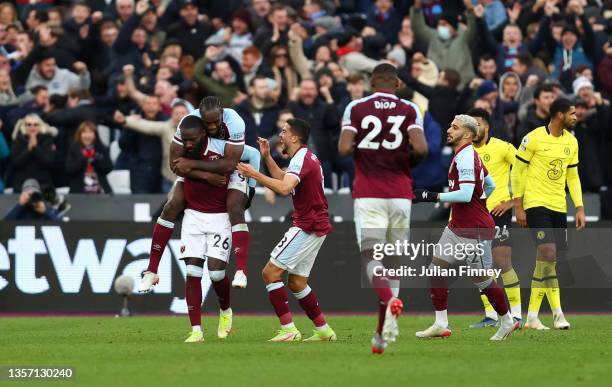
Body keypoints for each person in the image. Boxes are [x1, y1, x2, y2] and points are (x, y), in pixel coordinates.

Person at [337, 63, 428, 354]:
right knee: (394, 261)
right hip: (401, 193)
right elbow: (422, 149)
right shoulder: (410, 109)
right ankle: (382, 333)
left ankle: (390, 301)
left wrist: (363, 149)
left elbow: (343, 148)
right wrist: (403, 161)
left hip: (369, 193)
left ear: (372, 82)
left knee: (371, 256)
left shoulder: (357, 107)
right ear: (398, 82)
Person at [412, 114, 518, 341]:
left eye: (455, 127)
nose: (449, 130)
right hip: (457, 226)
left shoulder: (466, 157)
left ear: (468, 134)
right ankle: (441, 323)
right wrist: (481, 203)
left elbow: (467, 193)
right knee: (436, 270)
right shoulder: (467, 155)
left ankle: (507, 321)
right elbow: (490, 184)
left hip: (474, 230)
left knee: (482, 279)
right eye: (450, 125)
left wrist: (431, 196)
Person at [139, 96, 260, 292]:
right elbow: (175, 165)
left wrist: (193, 165)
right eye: (207, 123)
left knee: (235, 207)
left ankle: (241, 270)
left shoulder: (235, 122)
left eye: (215, 122)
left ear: (222, 114)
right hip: (204, 163)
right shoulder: (188, 124)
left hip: (227, 161)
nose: (212, 127)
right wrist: (205, 175)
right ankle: (151, 270)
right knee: (171, 205)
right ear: (200, 121)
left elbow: (230, 164)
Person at [237, 118, 336, 342]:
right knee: (297, 282)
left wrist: (254, 174)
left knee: (270, 273)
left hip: (307, 225)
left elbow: (283, 188)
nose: (280, 135)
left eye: (284, 131)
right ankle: (323, 330)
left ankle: (288, 330)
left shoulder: (301, 157)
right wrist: (267, 158)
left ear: (295, 137)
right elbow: (284, 179)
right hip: (314, 223)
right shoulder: (303, 157)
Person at [511, 98, 585, 330]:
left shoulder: (572, 142)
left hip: (559, 206)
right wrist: (519, 205)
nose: (576, 117)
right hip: (535, 203)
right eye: (572, 113)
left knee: (547, 261)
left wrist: (580, 206)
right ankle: (558, 313)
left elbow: (572, 176)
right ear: (560, 115)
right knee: (547, 252)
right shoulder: (532, 138)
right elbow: (517, 171)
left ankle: (532, 316)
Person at [176, 115, 234, 343]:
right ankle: (196, 330)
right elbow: (178, 168)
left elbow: (229, 166)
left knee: (217, 273)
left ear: (203, 134)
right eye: (185, 140)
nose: (188, 145)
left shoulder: (221, 148)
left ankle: (225, 310)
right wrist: (206, 175)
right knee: (192, 272)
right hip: (193, 216)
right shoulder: (181, 149)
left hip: (220, 216)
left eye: (191, 140)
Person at [467, 108, 522, 328]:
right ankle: (491, 315)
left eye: (478, 124)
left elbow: (525, 169)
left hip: (498, 212)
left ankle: (516, 314)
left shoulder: (503, 147)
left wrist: (513, 202)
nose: (475, 128)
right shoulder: (464, 151)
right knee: (480, 266)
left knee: (502, 261)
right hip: (473, 214)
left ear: (487, 126)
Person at [65, 121, 113, 194]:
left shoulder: (102, 149)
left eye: (90, 132)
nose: (87, 135)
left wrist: (96, 160)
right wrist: (83, 159)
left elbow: (108, 168)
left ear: (95, 135)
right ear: (80, 135)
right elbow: (69, 169)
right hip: (79, 191)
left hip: (100, 190)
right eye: (84, 132)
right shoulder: (73, 149)